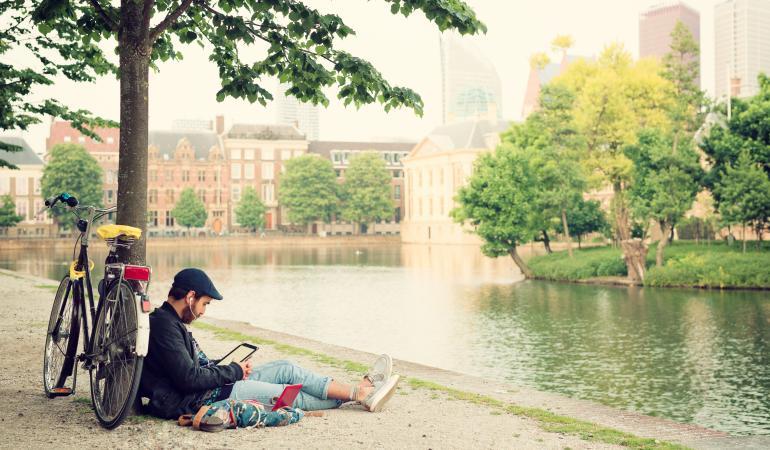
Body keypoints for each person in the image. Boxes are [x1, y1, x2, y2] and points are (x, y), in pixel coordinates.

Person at [139, 268, 400, 420]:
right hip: (199, 399)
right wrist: (234, 371)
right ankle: (360, 395)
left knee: (287, 368)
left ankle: (358, 392)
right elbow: (188, 379)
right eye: (205, 304)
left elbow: (194, 369)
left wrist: (230, 368)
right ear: (190, 296)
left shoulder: (171, 324)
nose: (204, 311)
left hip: (212, 386)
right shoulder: (163, 326)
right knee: (288, 393)